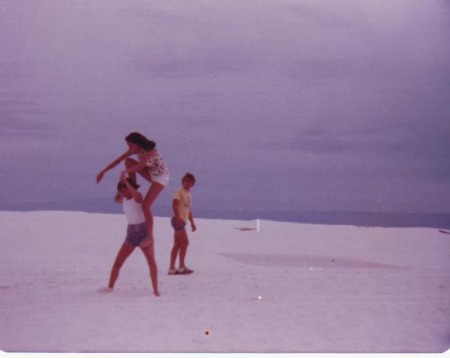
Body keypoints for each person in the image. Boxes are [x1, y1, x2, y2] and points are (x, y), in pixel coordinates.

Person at [96, 132, 170, 241]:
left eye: (131, 145)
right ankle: (133, 188)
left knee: (145, 206)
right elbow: (118, 160)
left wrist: (125, 172)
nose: (129, 148)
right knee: (128, 161)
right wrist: (103, 172)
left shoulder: (149, 151)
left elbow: (141, 165)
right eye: (128, 145)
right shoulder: (133, 150)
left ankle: (150, 236)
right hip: (150, 174)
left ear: (138, 144)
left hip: (161, 177)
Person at [107, 174, 160, 296]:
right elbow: (116, 199)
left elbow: (137, 196)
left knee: (151, 262)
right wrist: (121, 187)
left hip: (142, 230)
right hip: (130, 232)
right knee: (118, 262)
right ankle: (109, 287)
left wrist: (126, 183)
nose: (122, 193)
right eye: (121, 190)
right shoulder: (123, 198)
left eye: (124, 189)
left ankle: (156, 291)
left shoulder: (138, 196)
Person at [168, 172, 197, 275]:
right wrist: (177, 218)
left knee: (177, 244)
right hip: (177, 220)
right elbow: (174, 205)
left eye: (190, 182)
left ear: (193, 183)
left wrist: (192, 223)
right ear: (183, 182)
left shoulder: (188, 194)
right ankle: (181, 267)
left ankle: (172, 268)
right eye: (186, 181)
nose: (187, 183)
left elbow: (188, 209)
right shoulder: (179, 192)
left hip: (183, 221)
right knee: (185, 242)